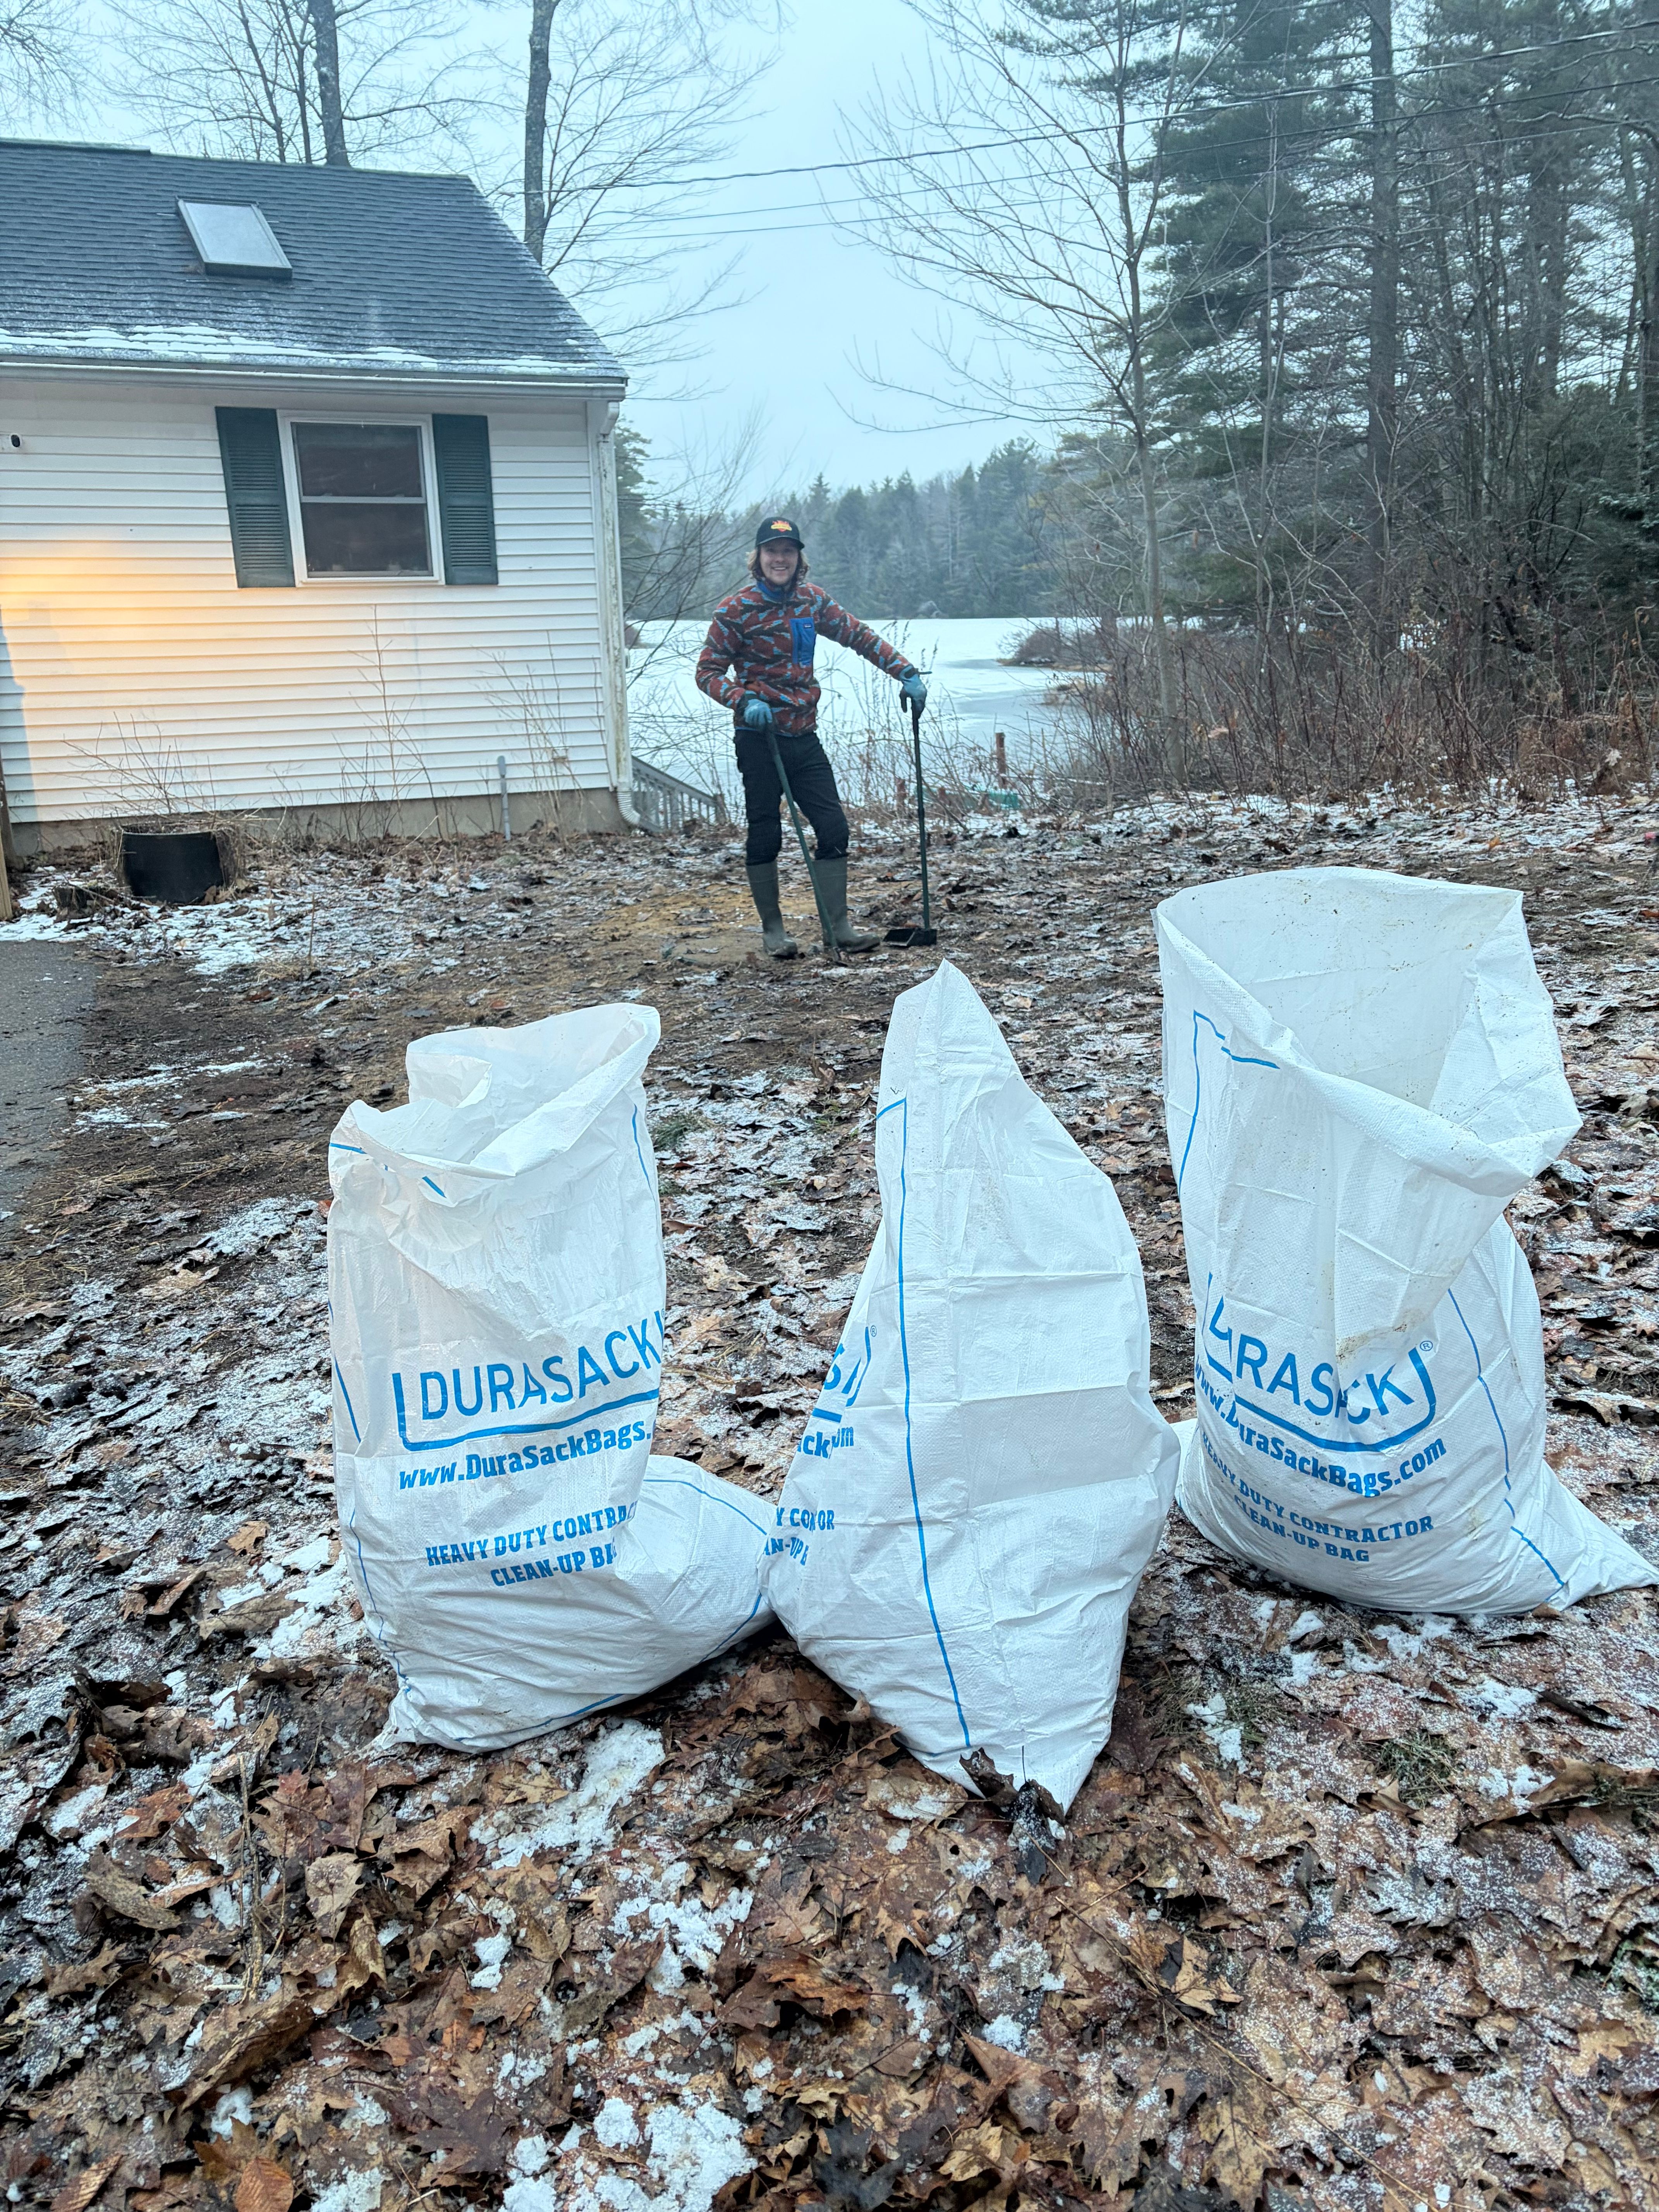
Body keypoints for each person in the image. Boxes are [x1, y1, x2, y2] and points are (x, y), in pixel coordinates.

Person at [695, 515, 927, 957]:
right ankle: (774, 931)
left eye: (788, 551)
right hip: (759, 737)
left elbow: (858, 635)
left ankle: (837, 927)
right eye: (771, 551)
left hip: (804, 735)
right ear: (758, 559)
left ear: (799, 558)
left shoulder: (811, 602)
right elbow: (707, 673)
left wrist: (907, 672)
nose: (779, 559)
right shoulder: (735, 611)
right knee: (766, 831)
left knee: (834, 827)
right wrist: (743, 700)